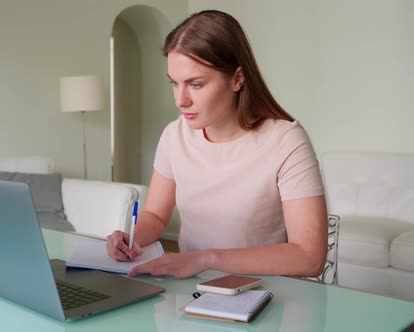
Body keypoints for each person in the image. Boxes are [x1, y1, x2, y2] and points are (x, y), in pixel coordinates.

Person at [106, 10, 328, 279]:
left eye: (195, 84)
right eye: (174, 84)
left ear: (237, 79)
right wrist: (131, 239)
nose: (180, 100)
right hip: (192, 289)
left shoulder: (286, 141)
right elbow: (154, 214)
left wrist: (206, 259)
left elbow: (308, 256)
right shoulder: (175, 135)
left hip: (264, 295)